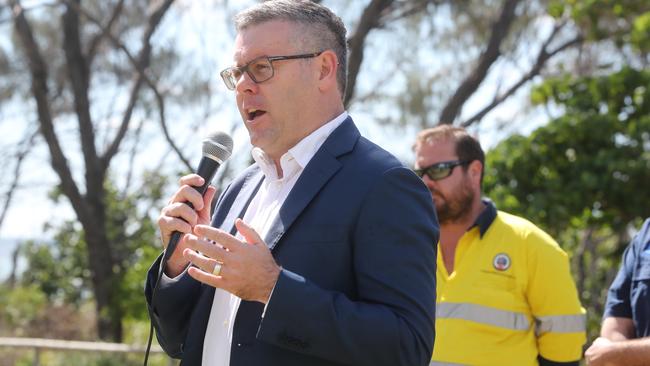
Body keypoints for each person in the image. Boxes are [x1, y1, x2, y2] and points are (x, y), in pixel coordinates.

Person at [144, 1, 439, 365]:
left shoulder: (385, 184)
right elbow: (179, 342)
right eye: (237, 73)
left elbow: (406, 348)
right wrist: (176, 268)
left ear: (323, 69)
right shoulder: (237, 190)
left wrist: (272, 289)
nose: (243, 87)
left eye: (261, 68)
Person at [412, 125, 586, 366]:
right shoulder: (407, 245)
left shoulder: (531, 244)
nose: (427, 182)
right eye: (420, 172)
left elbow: (563, 348)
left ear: (474, 171)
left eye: (439, 170)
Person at [584, 218, 650, 366]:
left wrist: (617, 353)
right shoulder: (646, 234)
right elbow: (617, 317)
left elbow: (611, 352)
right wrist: (617, 355)